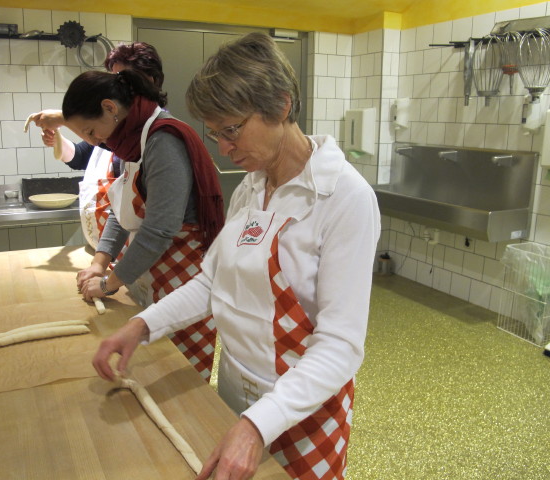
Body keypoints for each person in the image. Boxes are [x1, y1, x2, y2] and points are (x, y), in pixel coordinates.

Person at [92, 32, 381, 480]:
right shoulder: (251, 187)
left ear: (281, 106)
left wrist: (257, 425)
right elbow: (213, 282)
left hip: (302, 409)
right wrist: (142, 325)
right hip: (235, 391)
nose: (223, 148)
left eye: (231, 130)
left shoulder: (344, 198)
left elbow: (340, 345)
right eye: (215, 133)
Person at [63, 68, 224, 382]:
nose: (93, 142)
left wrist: (110, 283)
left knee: (180, 378)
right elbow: (122, 210)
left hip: (182, 277)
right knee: (150, 369)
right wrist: (99, 264)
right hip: (151, 270)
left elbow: (160, 228)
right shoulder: (130, 142)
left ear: (110, 108)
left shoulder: (163, 140)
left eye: (91, 131)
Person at [28, 42, 165, 249]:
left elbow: (159, 228)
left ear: (150, 80)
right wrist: (59, 139)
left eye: (123, 80)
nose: (116, 88)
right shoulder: (114, 128)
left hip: (139, 249)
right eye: (113, 79)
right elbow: (80, 156)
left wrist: (65, 118)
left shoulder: (155, 136)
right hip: (113, 248)